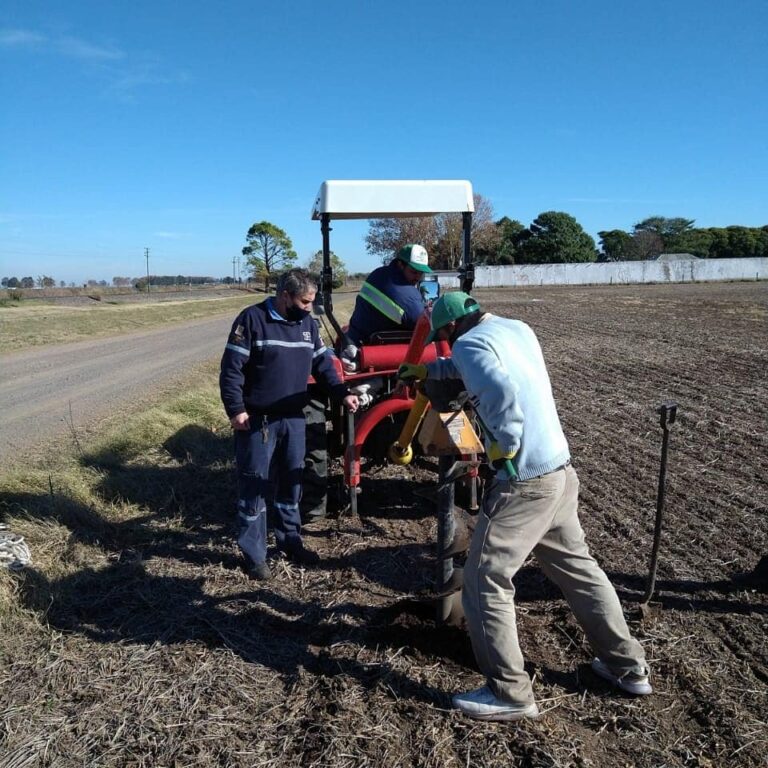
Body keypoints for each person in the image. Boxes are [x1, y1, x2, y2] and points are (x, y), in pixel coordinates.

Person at [397, 291, 651, 721]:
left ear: (450, 329)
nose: (447, 344)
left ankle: (510, 693)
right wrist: (427, 369)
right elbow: (475, 366)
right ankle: (628, 668)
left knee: (483, 582)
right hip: (559, 472)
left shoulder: (467, 343)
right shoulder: (515, 329)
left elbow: (495, 387)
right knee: (580, 571)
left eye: (444, 337)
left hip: (525, 481)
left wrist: (504, 447)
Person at [220, 268, 359, 581]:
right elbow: (231, 370)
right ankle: (254, 556)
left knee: (291, 484)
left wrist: (342, 394)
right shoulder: (252, 320)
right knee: (254, 486)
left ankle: (290, 541)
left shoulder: (307, 325)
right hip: (259, 421)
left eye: (312, 301)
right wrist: (236, 410)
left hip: (294, 418)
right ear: (285, 296)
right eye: (305, 301)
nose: (310, 307)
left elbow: (324, 365)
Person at [343, 244, 432, 368]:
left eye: (421, 273)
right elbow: (423, 323)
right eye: (414, 272)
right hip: (368, 348)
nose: (417, 277)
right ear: (401, 265)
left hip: (357, 338)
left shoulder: (378, 274)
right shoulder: (405, 293)